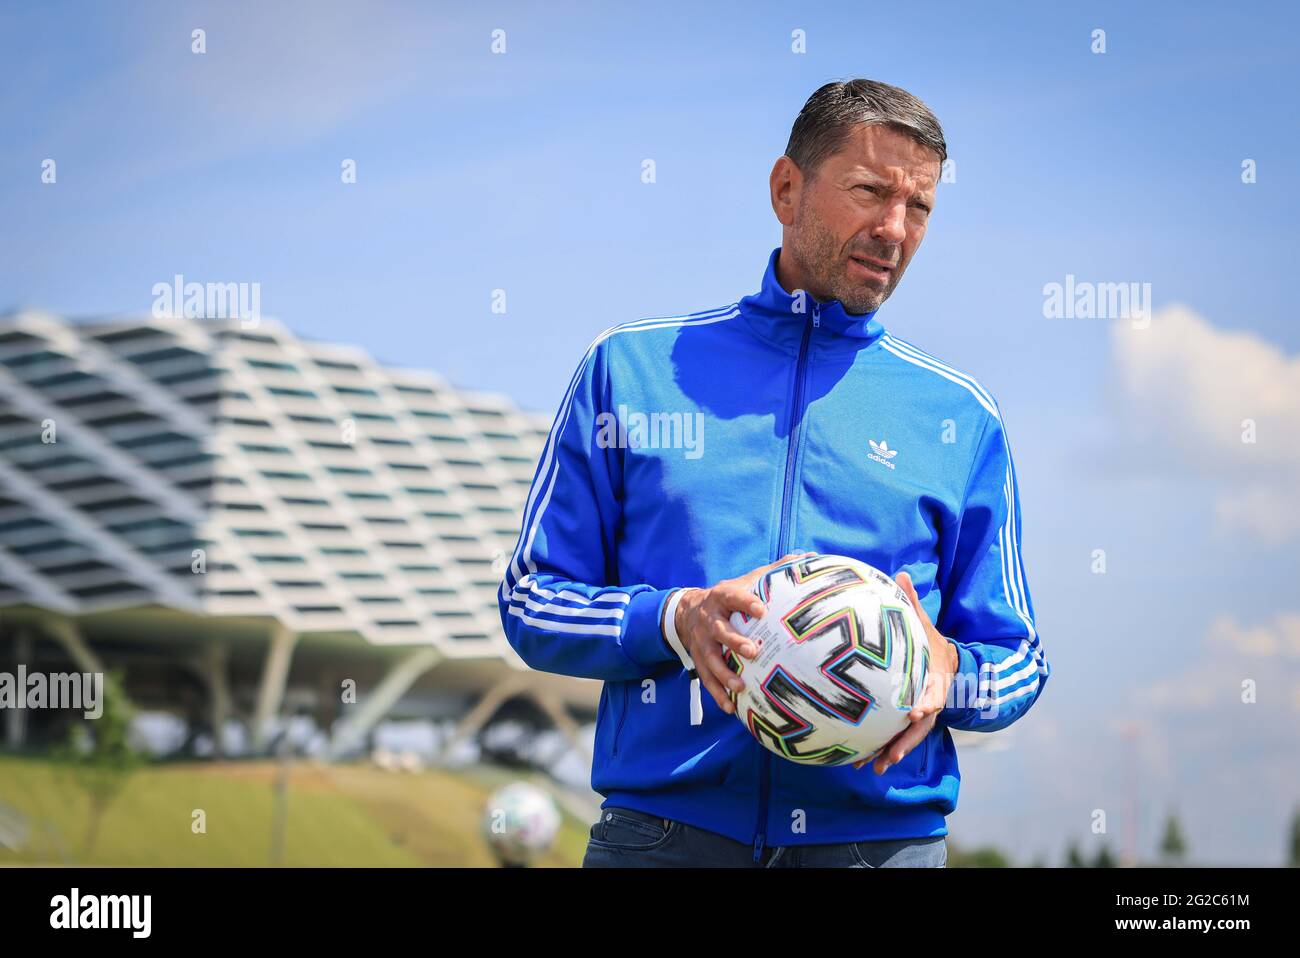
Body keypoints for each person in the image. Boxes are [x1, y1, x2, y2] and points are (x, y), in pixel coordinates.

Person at [498, 78, 1050, 868]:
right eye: (870, 191)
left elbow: (1020, 657)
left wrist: (949, 668)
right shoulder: (630, 369)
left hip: (879, 847)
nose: (894, 229)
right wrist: (675, 621)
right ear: (786, 189)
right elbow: (532, 599)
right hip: (662, 839)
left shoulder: (960, 416)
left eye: (919, 207)